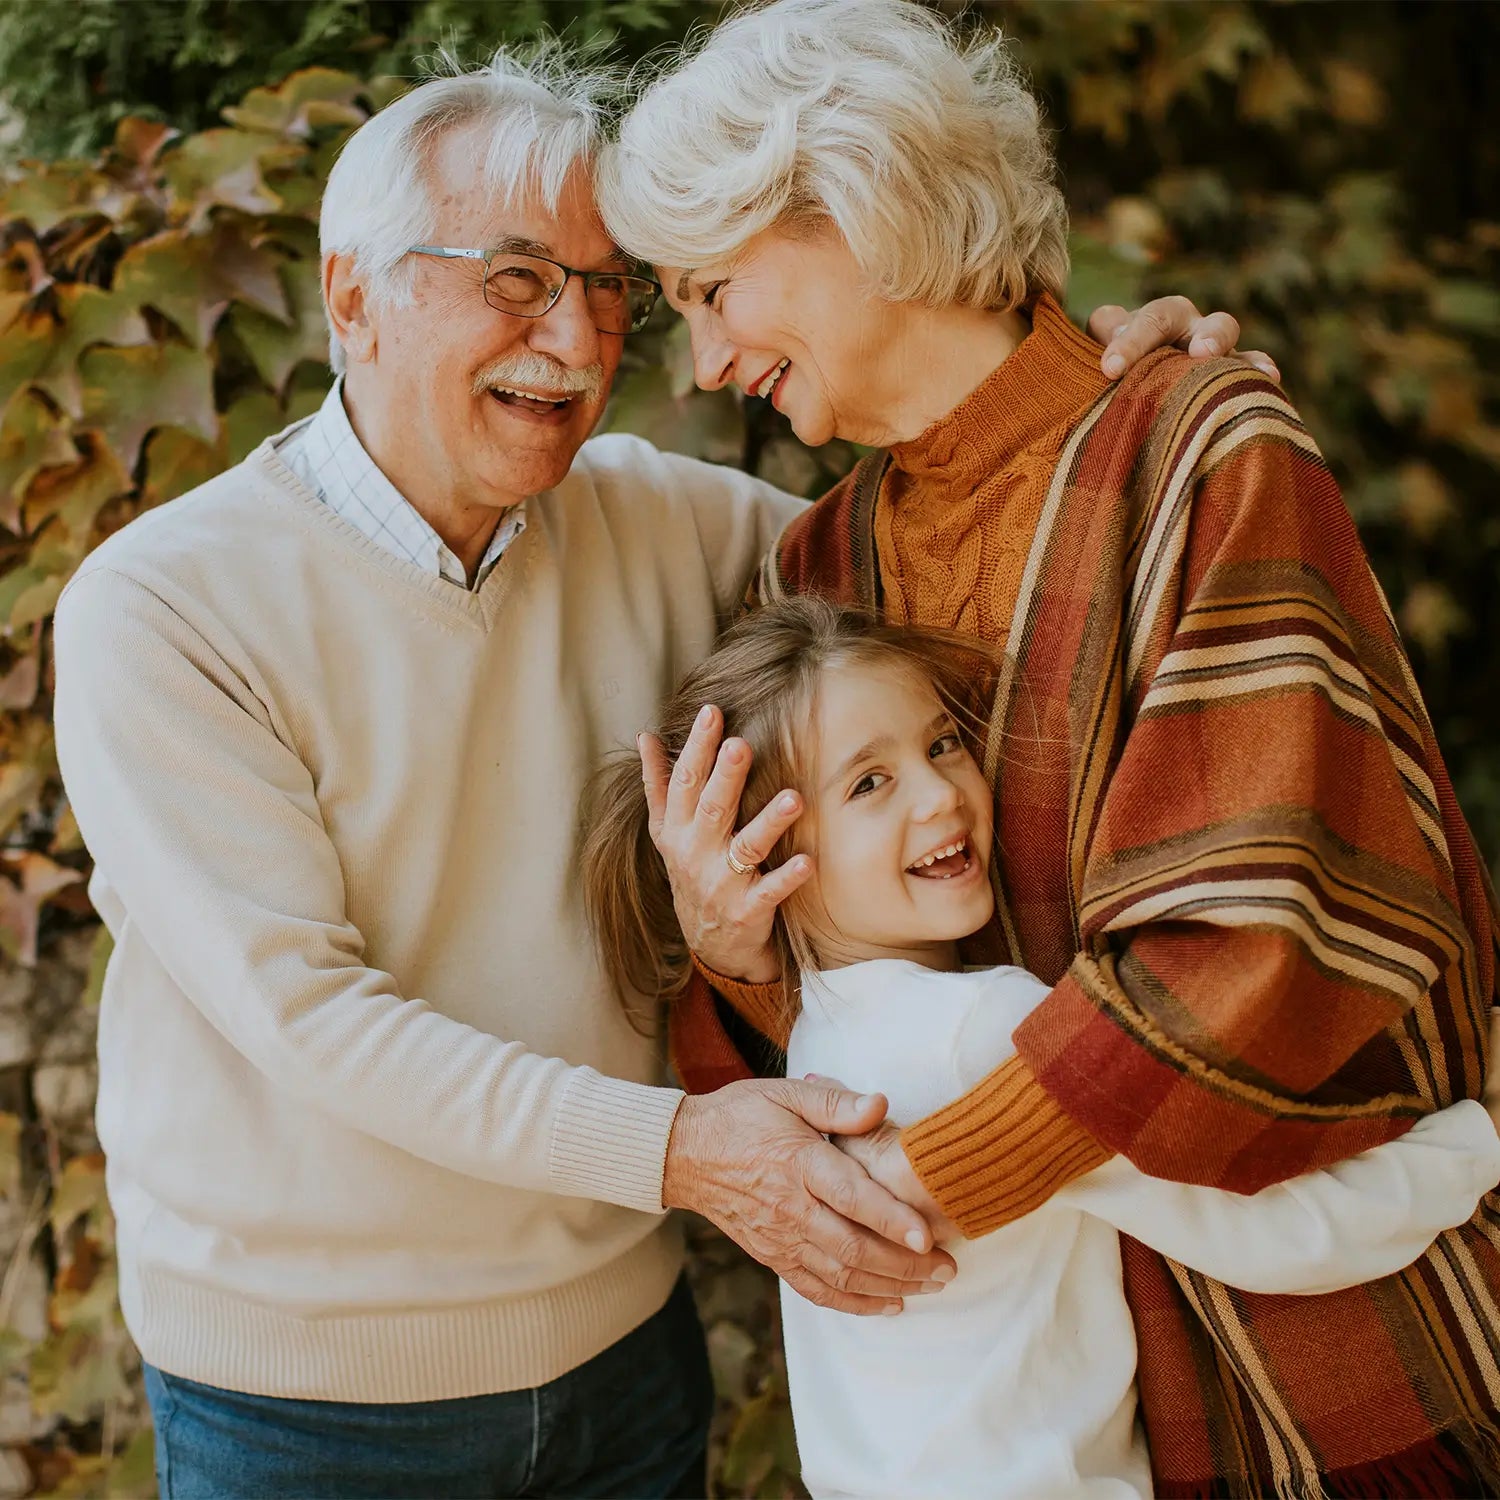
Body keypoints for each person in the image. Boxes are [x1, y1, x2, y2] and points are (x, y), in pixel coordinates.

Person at [49, 45, 1239, 1500]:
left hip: (624, 1359)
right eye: (514, 280)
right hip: (309, 1402)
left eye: (608, 289)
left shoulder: (673, 527)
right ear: (352, 294)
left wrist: (1122, 405)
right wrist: (686, 1150)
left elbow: (964, 550)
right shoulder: (161, 608)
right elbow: (312, 1017)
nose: (576, 339)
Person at [599, 1, 1500, 1494]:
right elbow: (842, 1024)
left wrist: (925, 1179)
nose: (698, 365)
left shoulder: (1207, 452)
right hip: (1044, 1390)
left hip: (1316, 1342)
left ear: (849, 203)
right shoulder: (820, 568)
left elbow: (1262, 946)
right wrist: (737, 947)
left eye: (712, 291)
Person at [582, 595, 1500, 1500]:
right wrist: (1478, 1141)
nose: (942, 791)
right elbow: (1276, 1233)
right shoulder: (980, 1031)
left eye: (941, 743)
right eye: (869, 782)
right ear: (765, 854)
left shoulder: (814, 1036)